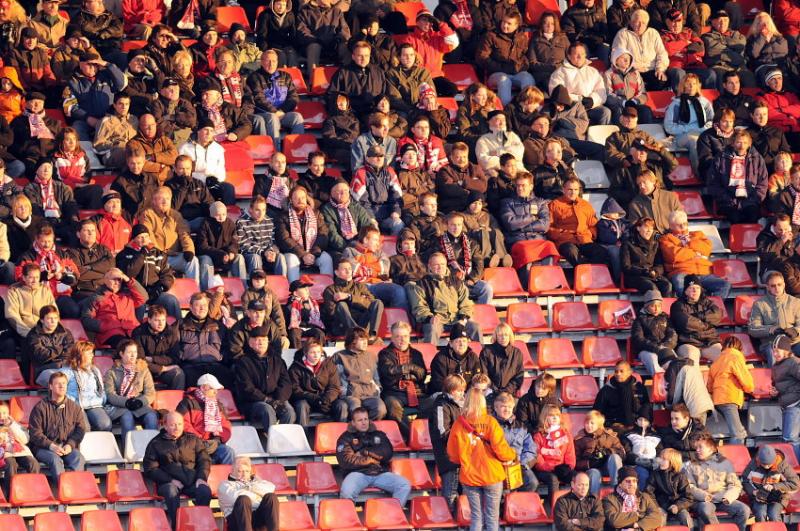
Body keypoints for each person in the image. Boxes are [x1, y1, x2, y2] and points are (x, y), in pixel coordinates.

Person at [447, 387, 517, 531]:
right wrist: (512, 455)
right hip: (492, 474)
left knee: (476, 517)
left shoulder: (458, 424)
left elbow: (452, 454)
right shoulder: (490, 422)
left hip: (470, 476)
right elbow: (502, 450)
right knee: (492, 518)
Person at [144, 411, 211, 527]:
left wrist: (201, 478)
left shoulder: (193, 439)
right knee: (171, 492)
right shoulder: (155, 443)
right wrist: (170, 480)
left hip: (191, 481)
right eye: (173, 425)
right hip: (168, 483)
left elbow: (204, 460)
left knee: (204, 491)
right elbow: (150, 468)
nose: (177, 428)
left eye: (179, 424)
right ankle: (177, 525)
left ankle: (199, 525)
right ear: (165, 426)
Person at [337, 406, 411, 504]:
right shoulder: (345, 438)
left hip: (379, 472)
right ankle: (349, 514)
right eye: (360, 420)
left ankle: (393, 512)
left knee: (404, 485)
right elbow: (346, 460)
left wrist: (365, 452)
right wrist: (372, 459)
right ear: (353, 423)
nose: (364, 422)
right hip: (357, 473)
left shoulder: (379, 434)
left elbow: (387, 452)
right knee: (347, 491)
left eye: (366, 419)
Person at [684, 434, 751, 531]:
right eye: (696, 447)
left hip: (722, 498)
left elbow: (735, 484)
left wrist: (728, 497)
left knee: (744, 510)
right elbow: (690, 486)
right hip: (703, 500)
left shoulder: (724, 462)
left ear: (711, 449)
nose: (697, 450)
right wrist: (704, 496)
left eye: (700, 447)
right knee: (705, 509)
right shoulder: (691, 465)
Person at [233, 327, 295, 430]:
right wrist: (266, 399)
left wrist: (277, 400)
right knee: (267, 410)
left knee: (289, 412)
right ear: (250, 343)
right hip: (253, 402)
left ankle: (283, 439)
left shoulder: (278, 360)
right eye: (257, 339)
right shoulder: (243, 362)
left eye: (264, 339)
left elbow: (286, 384)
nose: (261, 342)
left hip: (276, 398)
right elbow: (246, 388)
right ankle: (273, 439)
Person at [28, 371, 85, 478]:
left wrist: (70, 445)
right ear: (50, 386)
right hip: (44, 448)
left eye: (64, 383)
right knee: (55, 460)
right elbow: (35, 433)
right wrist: (51, 446)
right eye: (58, 383)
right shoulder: (40, 407)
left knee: (78, 458)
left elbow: (80, 430)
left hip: (66, 447)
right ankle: (62, 487)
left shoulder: (75, 407)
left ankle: (74, 486)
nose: (62, 386)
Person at [660, 209, 730, 296]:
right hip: (682, 272)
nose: (682, 226)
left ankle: (710, 305)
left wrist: (689, 243)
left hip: (704, 271)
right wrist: (695, 253)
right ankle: (687, 304)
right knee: (680, 285)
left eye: (684, 223)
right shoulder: (666, 239)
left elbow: (707, 249)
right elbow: (675, 255)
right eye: (679, 225)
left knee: (724, 285)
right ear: (671, 226)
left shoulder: (698, 234)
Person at [141, 186, 200, 285]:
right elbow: (148, 236)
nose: (165, 201)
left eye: (167, 198)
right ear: (154, 201)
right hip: (157, 258)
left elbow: (184, 234)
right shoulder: (147, 214)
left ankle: (194, 290)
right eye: (161, 198)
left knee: (193, 261)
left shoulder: (176, 215)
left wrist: (189, 250)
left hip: (173, 256)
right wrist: (159, 254)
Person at [246, 49, 303, 150]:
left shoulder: (285, 76)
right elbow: (259, 98)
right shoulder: (254, 77)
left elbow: (293, 97)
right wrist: (274, 112)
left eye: (274, 61)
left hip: (282, 113)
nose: (271, 64)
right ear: (261, 62)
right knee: (272, 118)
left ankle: (296, 150)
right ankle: (275, 152)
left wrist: (282, 111)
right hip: (264, 114)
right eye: (268, 61)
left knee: (297, 117)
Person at [103, 338, 158, 442]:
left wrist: (140, 402)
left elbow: (150, 393)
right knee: (127, 418)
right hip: (121, 406)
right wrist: (126, 402)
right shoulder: (112, 372)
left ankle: (152, 448)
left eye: (135, 352)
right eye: (129, 352)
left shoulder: (143, 370)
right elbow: (110, 394)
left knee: (151, 417)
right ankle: (129, 450)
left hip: (140, 404)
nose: (133, 355)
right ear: (121, 354)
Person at [708, 130, 768, 223]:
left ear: (749, 144)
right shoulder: (721, 157)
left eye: (745, 143)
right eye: (739, 142)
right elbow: (713, 183)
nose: (742, 146)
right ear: (732, 143)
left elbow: (762, 184)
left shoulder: (757, 158)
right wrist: (727, 199)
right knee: (735, 217)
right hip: (727, 202)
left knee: (752, 216)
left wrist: (752, 200)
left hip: (751, 201)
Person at [377, 321, 426, 438]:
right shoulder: (384, 354)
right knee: (393, 409)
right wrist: (410, 368)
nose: (402, 340)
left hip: (416, 392)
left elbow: (422, 374)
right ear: (392, 338)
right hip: (394, 392)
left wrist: (403, 371)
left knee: (436, 403)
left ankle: (419, 432)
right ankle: (412, 437)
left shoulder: (416, 354)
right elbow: (389, 372)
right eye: (398, 336)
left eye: (405, 336)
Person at [475, 11, 532, 106]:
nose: (505, 25)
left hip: (516, 72)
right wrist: (501, 67)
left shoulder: (522, 37)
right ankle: (505, 109)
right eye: (504, 22)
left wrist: (519, 67)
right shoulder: (491, 35)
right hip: (495, 73)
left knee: (528, 78)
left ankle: (526, 108)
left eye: (509, 23)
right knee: (504, 80)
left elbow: (526, 57)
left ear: (516, 26)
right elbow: (481, 57)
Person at [547, 178, 608, 266]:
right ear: (563, 189)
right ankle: (584, 271)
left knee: (601, 252)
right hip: (565, 241)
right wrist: (561, 234)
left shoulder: (585, 205)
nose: (573, 192)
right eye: (570, 189)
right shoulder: (555, 204)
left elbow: (593, 225)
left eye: (576, 190)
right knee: (572, 252)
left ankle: (587, 271)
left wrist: (589, 234)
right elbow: (548, 227)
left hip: (584, 240)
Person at [176, 373, 234, 465]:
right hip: (192, 446)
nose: (216, 392)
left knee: (227, 452)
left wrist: (216, 441)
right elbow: (183, 425)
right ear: (203, 388)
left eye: (216, 390)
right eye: (213, 389)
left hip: (212, 445)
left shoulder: (217, 405)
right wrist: (200, 441)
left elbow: (225, 425)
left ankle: (227, 474)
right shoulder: (187, 403)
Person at [81, 268, 147, 349]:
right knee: (127, 346)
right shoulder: (96, 297)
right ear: (105, 280)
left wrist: (128, 280)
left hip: (132, 330)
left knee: (143, 343)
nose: (117, 283)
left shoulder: (129, 294)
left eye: (119, 280)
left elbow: (144, 297)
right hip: (110, 333)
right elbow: (86, 319)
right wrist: (104, 325)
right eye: (114, 279)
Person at [549, 42, 611, 126]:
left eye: (582, 53)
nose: (580, 56)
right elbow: (557, 93)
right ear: (569, 56)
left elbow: (601, 91)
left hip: (589, 108)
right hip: (570, 108)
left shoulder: (593, 72)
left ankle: (600, 134)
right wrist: (579, 99)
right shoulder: (560, 72)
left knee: (605, 112)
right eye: (576, 54)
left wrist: (593, 100)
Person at [706, 335, 753, 444]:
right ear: (739, 347)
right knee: (738, 434)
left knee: (740, 431)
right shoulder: (735, 357)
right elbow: (745, 379)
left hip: (718, 400)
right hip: (729, 398)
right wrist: (750, 389)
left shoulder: (717, 361)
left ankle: (738, 450)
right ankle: (736, 454)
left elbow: (709, 386)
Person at [288, 339, 346, 426]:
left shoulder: (329, 364)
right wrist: (314, 398)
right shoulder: (296, 367)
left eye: (318, 352)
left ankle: (340, 432)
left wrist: (326, 400)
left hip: (326, 400)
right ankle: (303, 433)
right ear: (305, 353)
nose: (316, 355)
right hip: (307, 400)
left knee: (341, 405)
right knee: (301, 405)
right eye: (312, 352)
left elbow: (334, 387)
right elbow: (295, 389)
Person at [322, 259, 384, 341]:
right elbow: (332, 313)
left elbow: (370, 303)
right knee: (341, 305)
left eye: (350, 268)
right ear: (336, 272)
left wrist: (350, 297)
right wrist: (360, 301)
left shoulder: (360, 286)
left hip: (362, 323)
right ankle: (356, 334)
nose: (348, 271)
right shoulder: (330, 290)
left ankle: (372, 335)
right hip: (342, 327)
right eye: (344, 269)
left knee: (377, 302)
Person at [663, 74, 713, 173]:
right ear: (683, 86)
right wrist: (690, 128)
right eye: (688, 83)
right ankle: (701, 174)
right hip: (683, 136)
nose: (691, 86)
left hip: (702, 132)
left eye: (694, 83)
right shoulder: (676, 104)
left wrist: (702, 129)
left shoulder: (704, 102)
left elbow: (712, 120)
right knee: (694, 141)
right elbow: (668, 127)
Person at [749, 272, 800, 363]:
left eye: (779, 285)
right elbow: (752, 329)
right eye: (773, 286)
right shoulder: (759, 304)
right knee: (774, 354)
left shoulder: (796, 302)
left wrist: (795, 331)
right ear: (767, 287)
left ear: (784, 285)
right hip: (771, 344)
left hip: (794, 343)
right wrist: (770, 329)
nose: (777, 288)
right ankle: (776, 372)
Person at [612, 9, 669, 89]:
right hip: (632, 71)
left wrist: (660, 69)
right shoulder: (623, 34)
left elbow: (662, 53)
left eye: (643, 23)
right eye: (637, 22)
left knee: (662, 80)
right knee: (631, 85)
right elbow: (618, 55)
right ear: (631, 22)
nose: (640, 25)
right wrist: (627, 69)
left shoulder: (653, 33)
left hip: (651, 70)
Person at [671, 275, 724, 362]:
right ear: (685, 291)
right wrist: (707, 325)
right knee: (691, 362)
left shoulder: (707, 302)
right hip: (688, 342)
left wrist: (700, 316)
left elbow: (718, 315)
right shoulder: (677, 305)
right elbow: (686, 323)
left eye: (697, 288)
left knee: (727, 358)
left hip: (709, 342)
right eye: (691, 288)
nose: (695, 290)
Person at [218, 455, 278, 531]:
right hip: (238, 521)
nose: (244, 474)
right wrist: (258, 497)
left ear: (250, 471)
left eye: (247, 471)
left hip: (257, 519)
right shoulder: (225, 485)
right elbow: (235, 498)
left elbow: (271, 488)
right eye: (240, 471)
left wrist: (249, 487)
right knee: (243, 499)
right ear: (232, 471)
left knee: (271, 497)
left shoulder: (257, 481)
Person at [743, 444, 800, 522]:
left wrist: (775, 486)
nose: (766, 467)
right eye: (763, 464)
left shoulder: (782, 466)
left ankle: (777, 527)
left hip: (778, 497)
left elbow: (795, 483)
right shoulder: (753, 464)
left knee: (773, 514)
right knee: (760, 513)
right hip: (758, 497)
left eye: (769, 464)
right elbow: (745, 481)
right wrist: (753, 491)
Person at [132, 305, 184, 390]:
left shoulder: (171, 332)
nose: (161, 324)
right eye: (157, 320)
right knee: (138, 372)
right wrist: (162, 368)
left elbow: (174, 358)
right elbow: (140, 361)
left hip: (165, 370)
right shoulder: (138, 333)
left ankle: (177, 398)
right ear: (149, 320)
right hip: (146, 369)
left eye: (163, 320)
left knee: (178, 373)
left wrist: (153, 359)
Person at [574, 410, 626, 496]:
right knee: (594, 474)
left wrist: (608, 452)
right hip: (592, 469)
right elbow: (575, 461)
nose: (589, 426)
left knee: (615, 458)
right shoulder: (579, 439)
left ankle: (617, 491)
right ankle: (593, 500)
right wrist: (589, 463)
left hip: (609, 468)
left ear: (599, 424)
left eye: (592, 423)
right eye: (587, 423)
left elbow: (622, 453)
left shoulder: (610, 436)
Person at [533, 403, 576, 499]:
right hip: (545, 470)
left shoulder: (566, 434)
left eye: (557, 415)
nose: (555, 418)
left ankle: (575, 504)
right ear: (545, 417)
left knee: (577, 477)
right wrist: (553, 468)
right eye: (551, 415)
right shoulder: (538, 436)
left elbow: (570, 455)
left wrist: (568, 467)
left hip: (562, 468)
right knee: (553, 479)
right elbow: (538, 458)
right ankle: (554, 505)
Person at [594, 361, 652, 431]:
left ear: (629, 372)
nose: (618, 374)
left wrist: (644, 419)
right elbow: (597, 411)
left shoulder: (639, 387)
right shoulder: (606, 390)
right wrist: (608, 424)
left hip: (637, 425)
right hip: (614, 427)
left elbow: (646, 405)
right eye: (616, 371)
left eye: (621, 371)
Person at [622, 218, 672, 297]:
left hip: (651, 275)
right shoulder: (628, 244)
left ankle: (664, 305)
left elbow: (660, 265)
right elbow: (626, 267)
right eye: (646, 227)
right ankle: (653, 305)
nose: (649, 230)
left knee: (667, 285)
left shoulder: (655, 244)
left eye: (651, 228)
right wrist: (644, 271)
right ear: (638, 228)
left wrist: (655, 271)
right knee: (651, 287)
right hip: (635, 276)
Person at [631, 290, 678, 375]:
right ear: (646, 306)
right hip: (647, 350)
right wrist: (655, 347)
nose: (656, 309)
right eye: (653, 306)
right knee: (653, 360)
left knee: (675, 364)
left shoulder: (665, 317)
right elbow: (638, 339)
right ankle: (659, 382)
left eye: (659, 306)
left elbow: (673, 334)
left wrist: (666, 346)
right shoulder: (640, 319)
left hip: (664, 347)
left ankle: (673, 382)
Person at [27, 305, 74, 387]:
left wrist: (54, 355)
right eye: (49, 318)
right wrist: (59, 349)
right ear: (42, 320)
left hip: (64, 367)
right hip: (44, 370)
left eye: (55, 318)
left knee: (80, 377)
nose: (53, 321)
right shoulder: (33, 335)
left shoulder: (65, 333)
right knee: (59, 381)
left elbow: (70, 352)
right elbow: (40, 355)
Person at [645, 448, 693, 528]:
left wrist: (677, 506)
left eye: (664, 459)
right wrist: (657, 507)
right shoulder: (655, 474)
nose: (660, 461)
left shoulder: (680, 476)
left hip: (677, 505)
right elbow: (648, 493)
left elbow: (688, 497)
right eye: (660, 458)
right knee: (660, 518)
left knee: (685, 516)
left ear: (673, 462)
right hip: (660, 505)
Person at [5, 262, 55, 338]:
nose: (35, 280)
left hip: (43, 332)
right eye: (31, 277)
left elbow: (54, 313)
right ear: (24, 277)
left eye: (37, 277)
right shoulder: (14, 290)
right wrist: (27, 333)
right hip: (23, 333)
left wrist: (49, 331)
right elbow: (11, 315)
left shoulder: (45, 290)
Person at [770, 334, 800, 446]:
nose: (775, 354)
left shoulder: (793, 363)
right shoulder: (775, 366)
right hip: (786, 405)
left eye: (777, 351)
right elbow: (776, 385)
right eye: (773, 351)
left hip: (794, 405)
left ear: (786, 351)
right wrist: (774, 392)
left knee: (790, 440)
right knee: (787, 439)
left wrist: (793, 392)